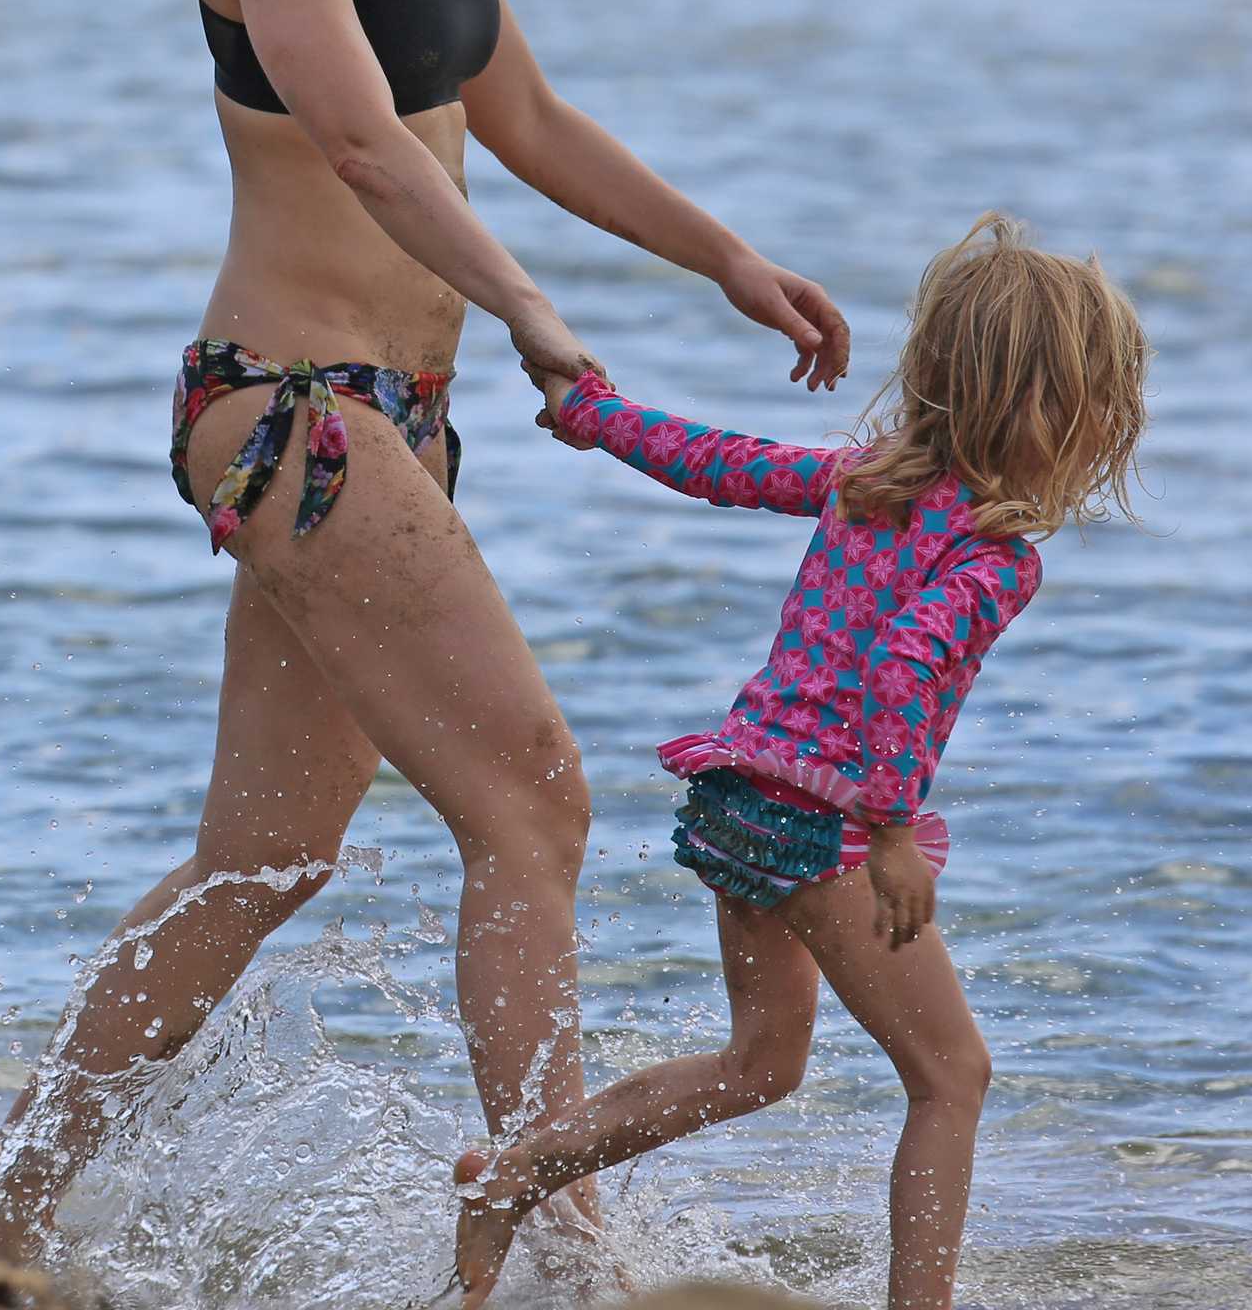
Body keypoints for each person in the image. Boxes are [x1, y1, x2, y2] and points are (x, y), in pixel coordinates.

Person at [0, 0, 850, 1265]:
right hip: (291, 419)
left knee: (264, 866)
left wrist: (720, 254)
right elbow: (360, 143)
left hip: (386, 427)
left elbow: (519, 116)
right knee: (535, 796)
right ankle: (555, 1247)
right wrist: (526, 308)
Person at [454, 213, 1148, 1310]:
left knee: (760, 1068)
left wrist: (590, 413)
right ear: (1046, 410)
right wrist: (888, 834)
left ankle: (519, 1171)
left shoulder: (862, 478)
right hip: (821, 823)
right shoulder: (991, 556)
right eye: (1105, 399)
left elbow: (712, 463)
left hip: (735, 797)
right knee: (950, 1075)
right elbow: (902, 673)